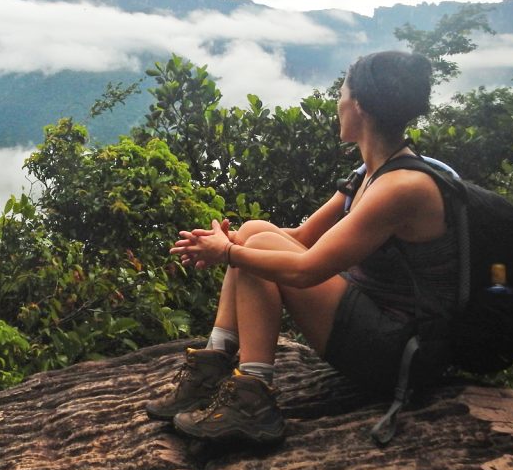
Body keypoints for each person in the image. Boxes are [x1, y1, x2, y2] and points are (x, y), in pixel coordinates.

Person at [144, 50, 457, 448]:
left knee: (253, 248)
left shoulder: (402, 187)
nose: (338, 102)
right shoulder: (373, 172)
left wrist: (228, 253)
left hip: (398, 352)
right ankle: (215, 363)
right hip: (376, 324)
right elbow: (305, 237)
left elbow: (307, 270)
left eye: (342, 92)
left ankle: (253, 398)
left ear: (358, 105)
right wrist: (231, 243)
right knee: (254, 231)